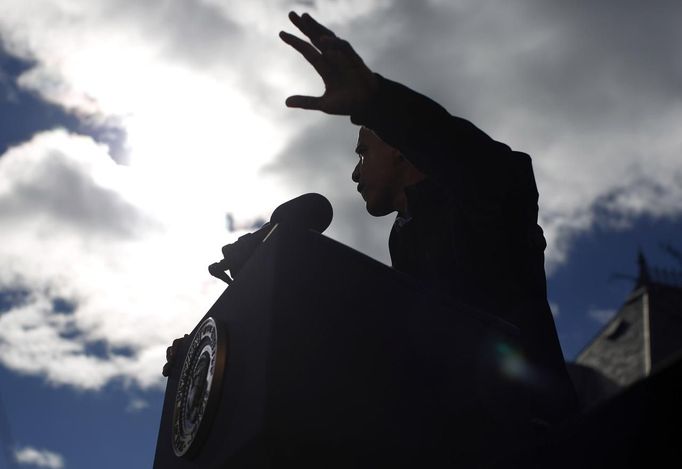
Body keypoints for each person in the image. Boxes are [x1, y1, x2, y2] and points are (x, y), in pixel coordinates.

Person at [279, 11, 578, 428]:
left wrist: (377, 103)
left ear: (400, 148)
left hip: (534, 441)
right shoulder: (404, 239)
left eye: (362, 152)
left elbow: (491, 169)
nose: (354, 171)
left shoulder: (478, 201)